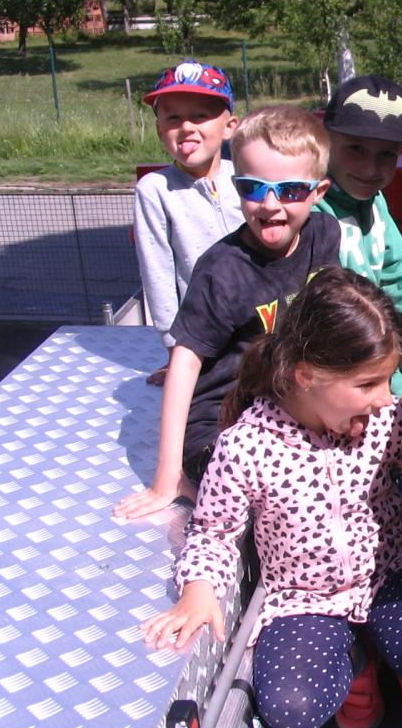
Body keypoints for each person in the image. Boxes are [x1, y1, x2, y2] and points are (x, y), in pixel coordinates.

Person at [139, 269, 402, 728]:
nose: (386, 398)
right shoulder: (245, 446)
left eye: (388, 380)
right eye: (368, 384)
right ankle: (359, 657)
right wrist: (199, 588)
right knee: (290, 708)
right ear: (307, 377)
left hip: (391, 569)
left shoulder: (389, 422)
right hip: (303, 597)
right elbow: (213, 532)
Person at [113, 106, 340, 519]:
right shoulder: (222, 271)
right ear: (237, 186)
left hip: (289, 407)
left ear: (318, 191)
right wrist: (168, 476)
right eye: (254, 188)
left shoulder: (323, 235)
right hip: (223, 422)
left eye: (290, 190)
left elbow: (333, 319)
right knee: (285, 499)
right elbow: (185, 363)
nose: (269, 205)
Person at [316, 74, 402, 410]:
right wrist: (400, 384)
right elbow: (343, 317)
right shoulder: (312, 211)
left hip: (373, 362)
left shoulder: (375, 203)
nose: (370, 168)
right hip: (331, 373)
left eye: (386, 155)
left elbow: (399, 279)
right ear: (325, 139)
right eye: (355, 149)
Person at [133, 60, 243, 384]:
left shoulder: (248, 177)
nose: (186, 127)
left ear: (229, 127)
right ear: (159, 130)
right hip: (201, 343)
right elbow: (158, 273)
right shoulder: (154, 190)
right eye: (173, 118)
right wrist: (176, 353)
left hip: (263, 330)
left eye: (200, 116)